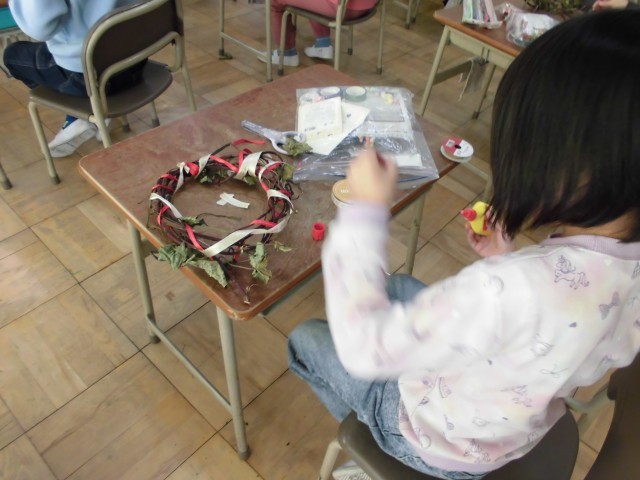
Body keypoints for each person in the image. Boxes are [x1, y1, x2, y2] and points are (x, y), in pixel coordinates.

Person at [288, 10, 640, 480]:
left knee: (305, 339)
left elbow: (364, 350)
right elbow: (560, 327)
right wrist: (507, 256)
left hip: (434, 438)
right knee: (401, 287)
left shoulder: (509, 291)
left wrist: (364, 212)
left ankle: (373, 438)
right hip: (513, 426)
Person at [3, 0, 143, 157]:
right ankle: (99, 108)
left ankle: (82, 113)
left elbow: (40, 28)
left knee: (12, 55)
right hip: (136, 62)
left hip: (88, 77)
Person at [261, 0, 377, 67]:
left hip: (342, 8)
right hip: (368, 5)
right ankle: (323, 44)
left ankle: (286, 54)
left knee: (275, 1)